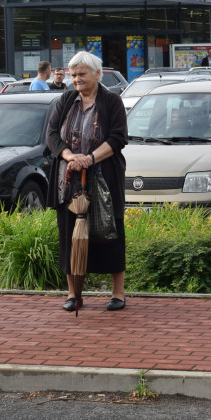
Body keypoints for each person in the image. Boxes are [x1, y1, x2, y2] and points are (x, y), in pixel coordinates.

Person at [46, 51, 128, 312]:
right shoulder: (66, 99)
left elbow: (117, 138)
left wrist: (89, 159)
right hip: (68, 181)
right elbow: (51, 135)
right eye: (73, 75)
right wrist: (71, 157)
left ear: (97, 74)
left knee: (111, 233)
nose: (76, 80)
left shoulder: (112, 101)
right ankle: (73, 294)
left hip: (104, 180)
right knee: (69, 235)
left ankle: (118, 294)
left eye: (82, 74)